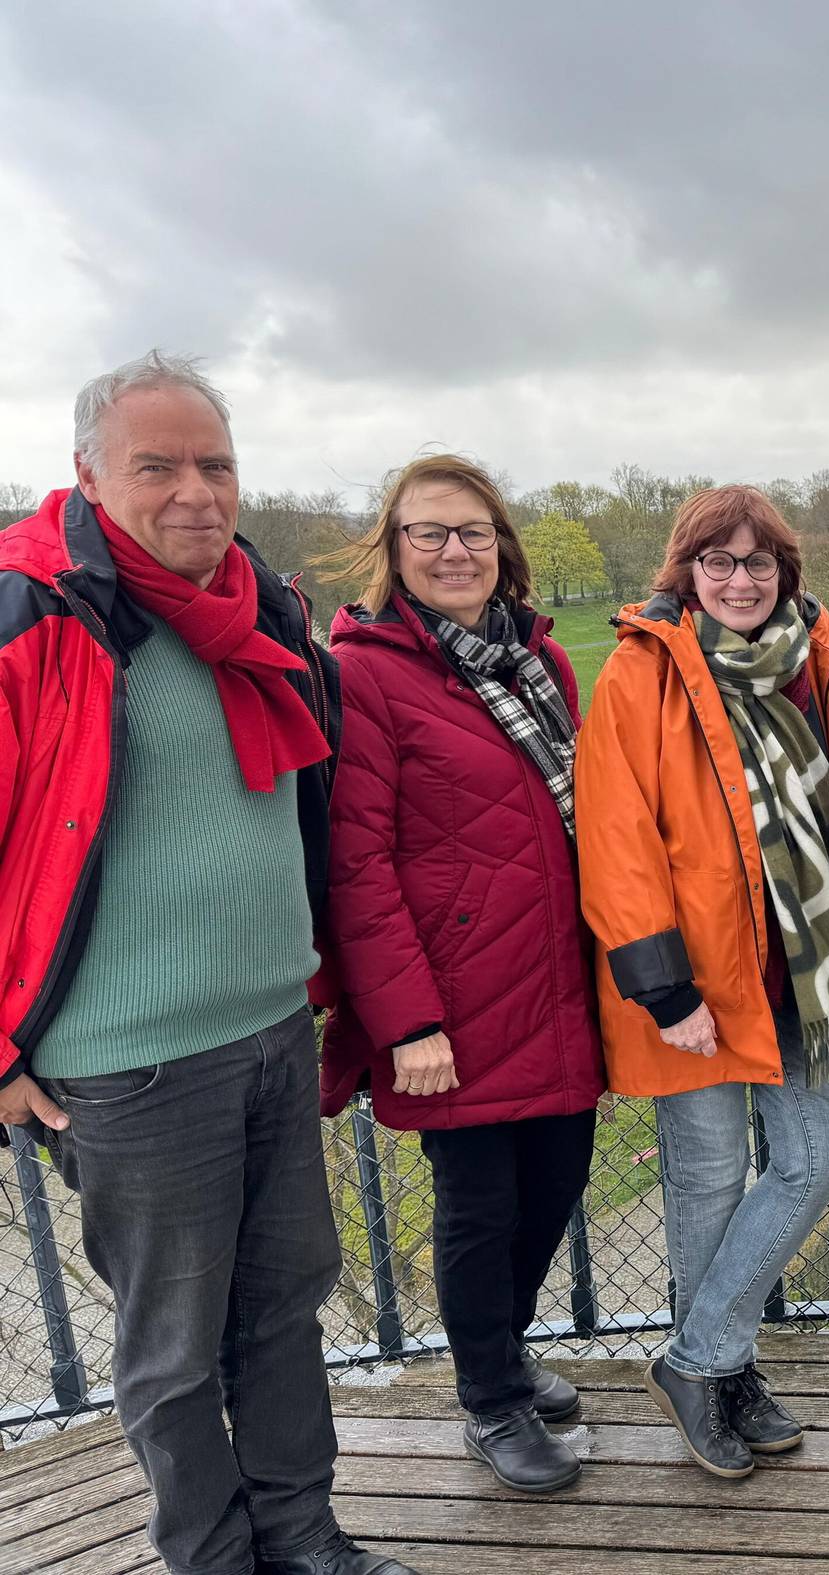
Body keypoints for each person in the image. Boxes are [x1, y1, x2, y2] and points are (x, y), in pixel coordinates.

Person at [0, 352, 414, 1575]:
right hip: (127, 1063)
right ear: (88, 476)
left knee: (284, 1307)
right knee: (175, 1347)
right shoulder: (36, 614)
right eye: (159, 467)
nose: (197, 492)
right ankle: (211, 1556)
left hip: (272, 1029)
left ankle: (302, 1535)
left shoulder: (259, 607)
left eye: (216, 464)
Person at [319, 454, 605, 1495]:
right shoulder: (365, 673)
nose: (454, 551)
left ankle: (505, 1353)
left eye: (473, 532)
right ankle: (488, 1398)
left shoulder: (539, 660)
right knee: (480, 1206)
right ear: (393, 551)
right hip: (450, 999)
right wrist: (407, 1021)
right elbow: (356, 863)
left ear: (501, 546)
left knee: (556, 1183)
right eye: (429, 533)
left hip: (555, 981)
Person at [576, 484, 829, 1480]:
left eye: (758, 562)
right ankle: (724, 1371)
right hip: (694, 977)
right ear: (688, 570)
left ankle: (698, 1359)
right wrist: (665, 990)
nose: (740, 581)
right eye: (719, 561)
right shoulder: (642, 670)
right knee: (706, 1177)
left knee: (825, 1146)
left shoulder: (822, 656)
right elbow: (616, 835)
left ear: (785, 571)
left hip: (801, 970)